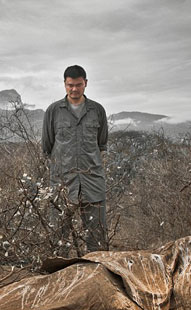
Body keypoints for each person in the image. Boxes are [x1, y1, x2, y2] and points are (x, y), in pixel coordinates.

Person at [42, 65, 109, 254]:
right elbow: (47, 147)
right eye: (70, 85)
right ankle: (58, 277)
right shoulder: (53, 111)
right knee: (58, 238)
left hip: (92, 182)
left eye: (78, 85)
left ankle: (98, 277)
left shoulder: (97, 111)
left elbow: (101, 144)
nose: (74, 89)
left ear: (85, 83)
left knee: (97, 238)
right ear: (64, 84)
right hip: (62, 183)